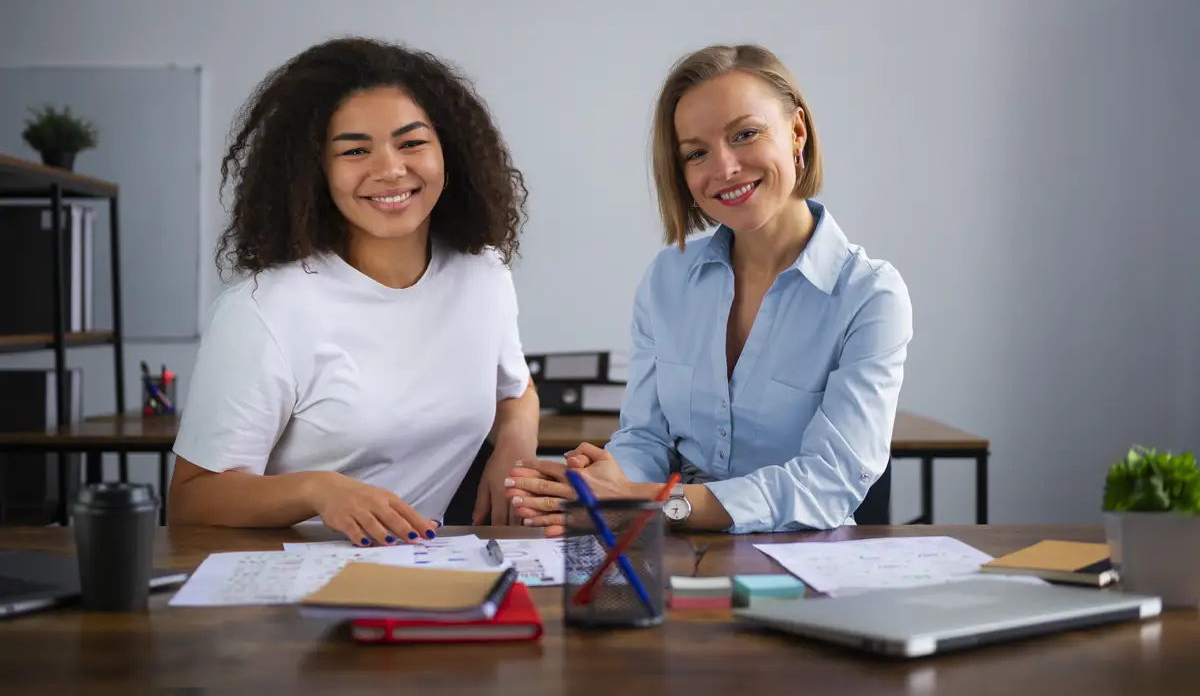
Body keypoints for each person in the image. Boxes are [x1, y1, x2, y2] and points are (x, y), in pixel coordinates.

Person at [507, 43, 913, 535]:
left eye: (745, 134)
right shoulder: (668, 279)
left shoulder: (869, 296)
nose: (724, 168)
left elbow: (827, 483)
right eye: (696, 153)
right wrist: (607, 481)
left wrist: (652, 502)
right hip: (673, 548)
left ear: (797, 133)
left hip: (807, 562)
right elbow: (647, 438)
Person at [168, 37, 539, 546]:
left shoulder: (482, 274)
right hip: (290, 588)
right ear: (314, 170)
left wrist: (514, 452)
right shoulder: (263, 312)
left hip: (423, 575)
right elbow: (191, 499)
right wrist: (318, 492)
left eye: (411, 143)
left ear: (448, 153)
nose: (389, 169)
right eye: (355, 150)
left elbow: (515, 391)